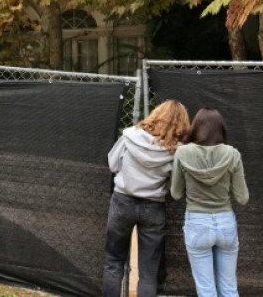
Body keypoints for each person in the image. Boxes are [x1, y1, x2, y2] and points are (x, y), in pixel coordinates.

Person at [103, 99, 191, 297]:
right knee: (149, 271)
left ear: (156, 114)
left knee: (113, 263)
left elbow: (112, 164)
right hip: (154, 206)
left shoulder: (130, 136)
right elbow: (174, 183)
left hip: (122, 201)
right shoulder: (177, 150)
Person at [171, 108, 249, 297]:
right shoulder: (233, 155)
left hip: (197, 223)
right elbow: (242, 198)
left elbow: (175, 193)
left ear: (196, 128)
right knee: (229, 289)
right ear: (221, 129)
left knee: (206, 290)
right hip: (225, 224)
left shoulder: (182, 153)